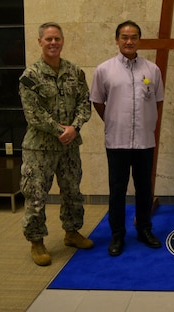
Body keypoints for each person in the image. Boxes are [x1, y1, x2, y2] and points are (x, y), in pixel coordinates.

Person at [19, 22, 93, 266]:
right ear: (39, 42)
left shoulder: (75, 72)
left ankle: (72, 232)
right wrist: (60, 130)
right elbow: (34, 114)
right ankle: (36, 241)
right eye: (48, 39)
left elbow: (85, 102)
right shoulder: (30, 77)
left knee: (72, 191)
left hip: (69, 145)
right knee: (36, 195)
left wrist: (75, 128)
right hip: (39, 148)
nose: (53, 43)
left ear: (62, 41)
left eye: (57, 39)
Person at [90, 20, 164, 256]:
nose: (129, 41)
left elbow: (158, 101)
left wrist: (147, 123)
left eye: (133, 37)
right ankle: (117, 235)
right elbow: (98, 102)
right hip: (117, 140)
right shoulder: (104, 69)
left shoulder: (152, 70)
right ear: (117, 40)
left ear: (139, 40)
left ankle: (144, 229)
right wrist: (114, 121)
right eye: (124, 37)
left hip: (144, 140)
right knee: (117, 189)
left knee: (144, 188)